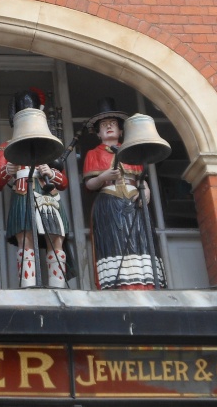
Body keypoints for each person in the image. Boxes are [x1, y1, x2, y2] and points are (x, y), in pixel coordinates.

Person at [81, 97, 164, 289]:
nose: (109, 127)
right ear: (98, 133)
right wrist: (103, 177)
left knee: (139, 239)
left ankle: (145, 284)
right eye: (104, 125)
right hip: (110, 203)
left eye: (112, 124)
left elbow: (141, 178)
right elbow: (89, 184)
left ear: (120, 131)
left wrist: (147, 192)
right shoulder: (93, 154)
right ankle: (119, 284)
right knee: (115, 243)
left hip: (134, 201)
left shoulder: (131, 151)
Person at [0, 89, 70, 288]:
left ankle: (57, 284)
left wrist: (51, 172)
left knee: (55, 239)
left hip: (47, 194)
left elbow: (63, 182)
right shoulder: (6, 147)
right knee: (25, 240)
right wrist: (9, 169)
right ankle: (27, 284)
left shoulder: (48, 146)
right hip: (23, 192)